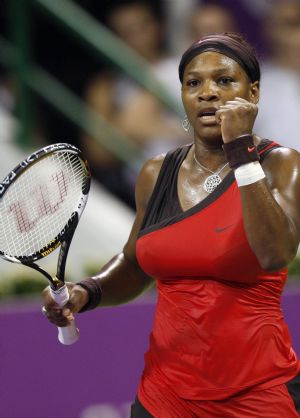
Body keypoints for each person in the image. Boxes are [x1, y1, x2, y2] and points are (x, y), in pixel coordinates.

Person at [42, 33, 300, 417]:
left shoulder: (281, 165)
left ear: (254, 92)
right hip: (163, 395)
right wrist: (87, 291)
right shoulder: (155, 173)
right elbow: (134, 263)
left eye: (224, 80)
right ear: (181, 95)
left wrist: (242, 150)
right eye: (193, 83)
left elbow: (274, 253)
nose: (208, 93)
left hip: (257, 395)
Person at [81, 0, 189, 208]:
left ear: (159, 27)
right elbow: (98, 153)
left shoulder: (187, 69)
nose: (136, 38)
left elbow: (213, 133)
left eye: (142, 27)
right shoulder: (105, 86)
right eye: (126, 32)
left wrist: (137, 128)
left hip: (193, 185)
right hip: (137, 195)